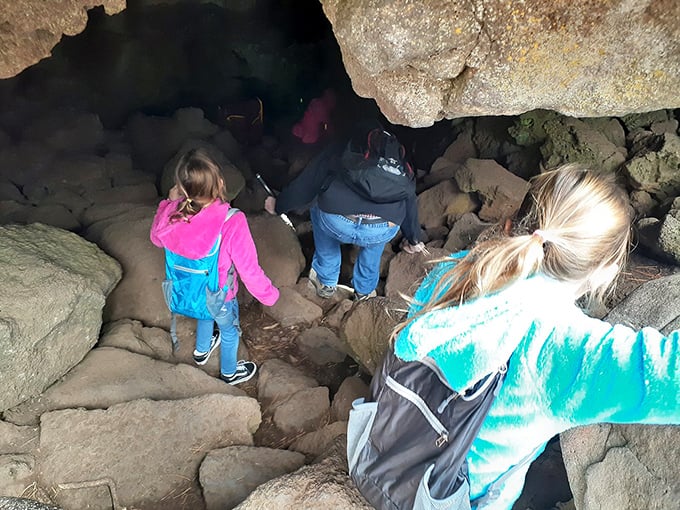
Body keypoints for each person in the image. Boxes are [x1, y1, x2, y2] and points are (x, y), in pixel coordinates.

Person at [389, 164, 680, 509]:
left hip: (394, 452)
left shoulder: (457, 269)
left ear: (514, 223)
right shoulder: (567, 345)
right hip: (450, 496)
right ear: (606, 272)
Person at [151, 148, 279, 385]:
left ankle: (201, 351)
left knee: (204, 308)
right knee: (229, 331)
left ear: (181, 187)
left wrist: (168, 202)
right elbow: (249, 270)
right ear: (220, 182)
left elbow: (156, 238)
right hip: (220, 295)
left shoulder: (173, 212)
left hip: (188, 291)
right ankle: (229, 373)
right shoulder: (231, 221)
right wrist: (269, 295)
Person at [265, 126, 425, 300]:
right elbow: (409, 198)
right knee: (376, 241)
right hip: (380, 228)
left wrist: (279, 205)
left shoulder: (343, 144)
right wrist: (414, 239)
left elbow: (307, 184)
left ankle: (326, 281)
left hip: (338, 221)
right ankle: (364, 292)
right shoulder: (397, 156)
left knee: (317, 205)